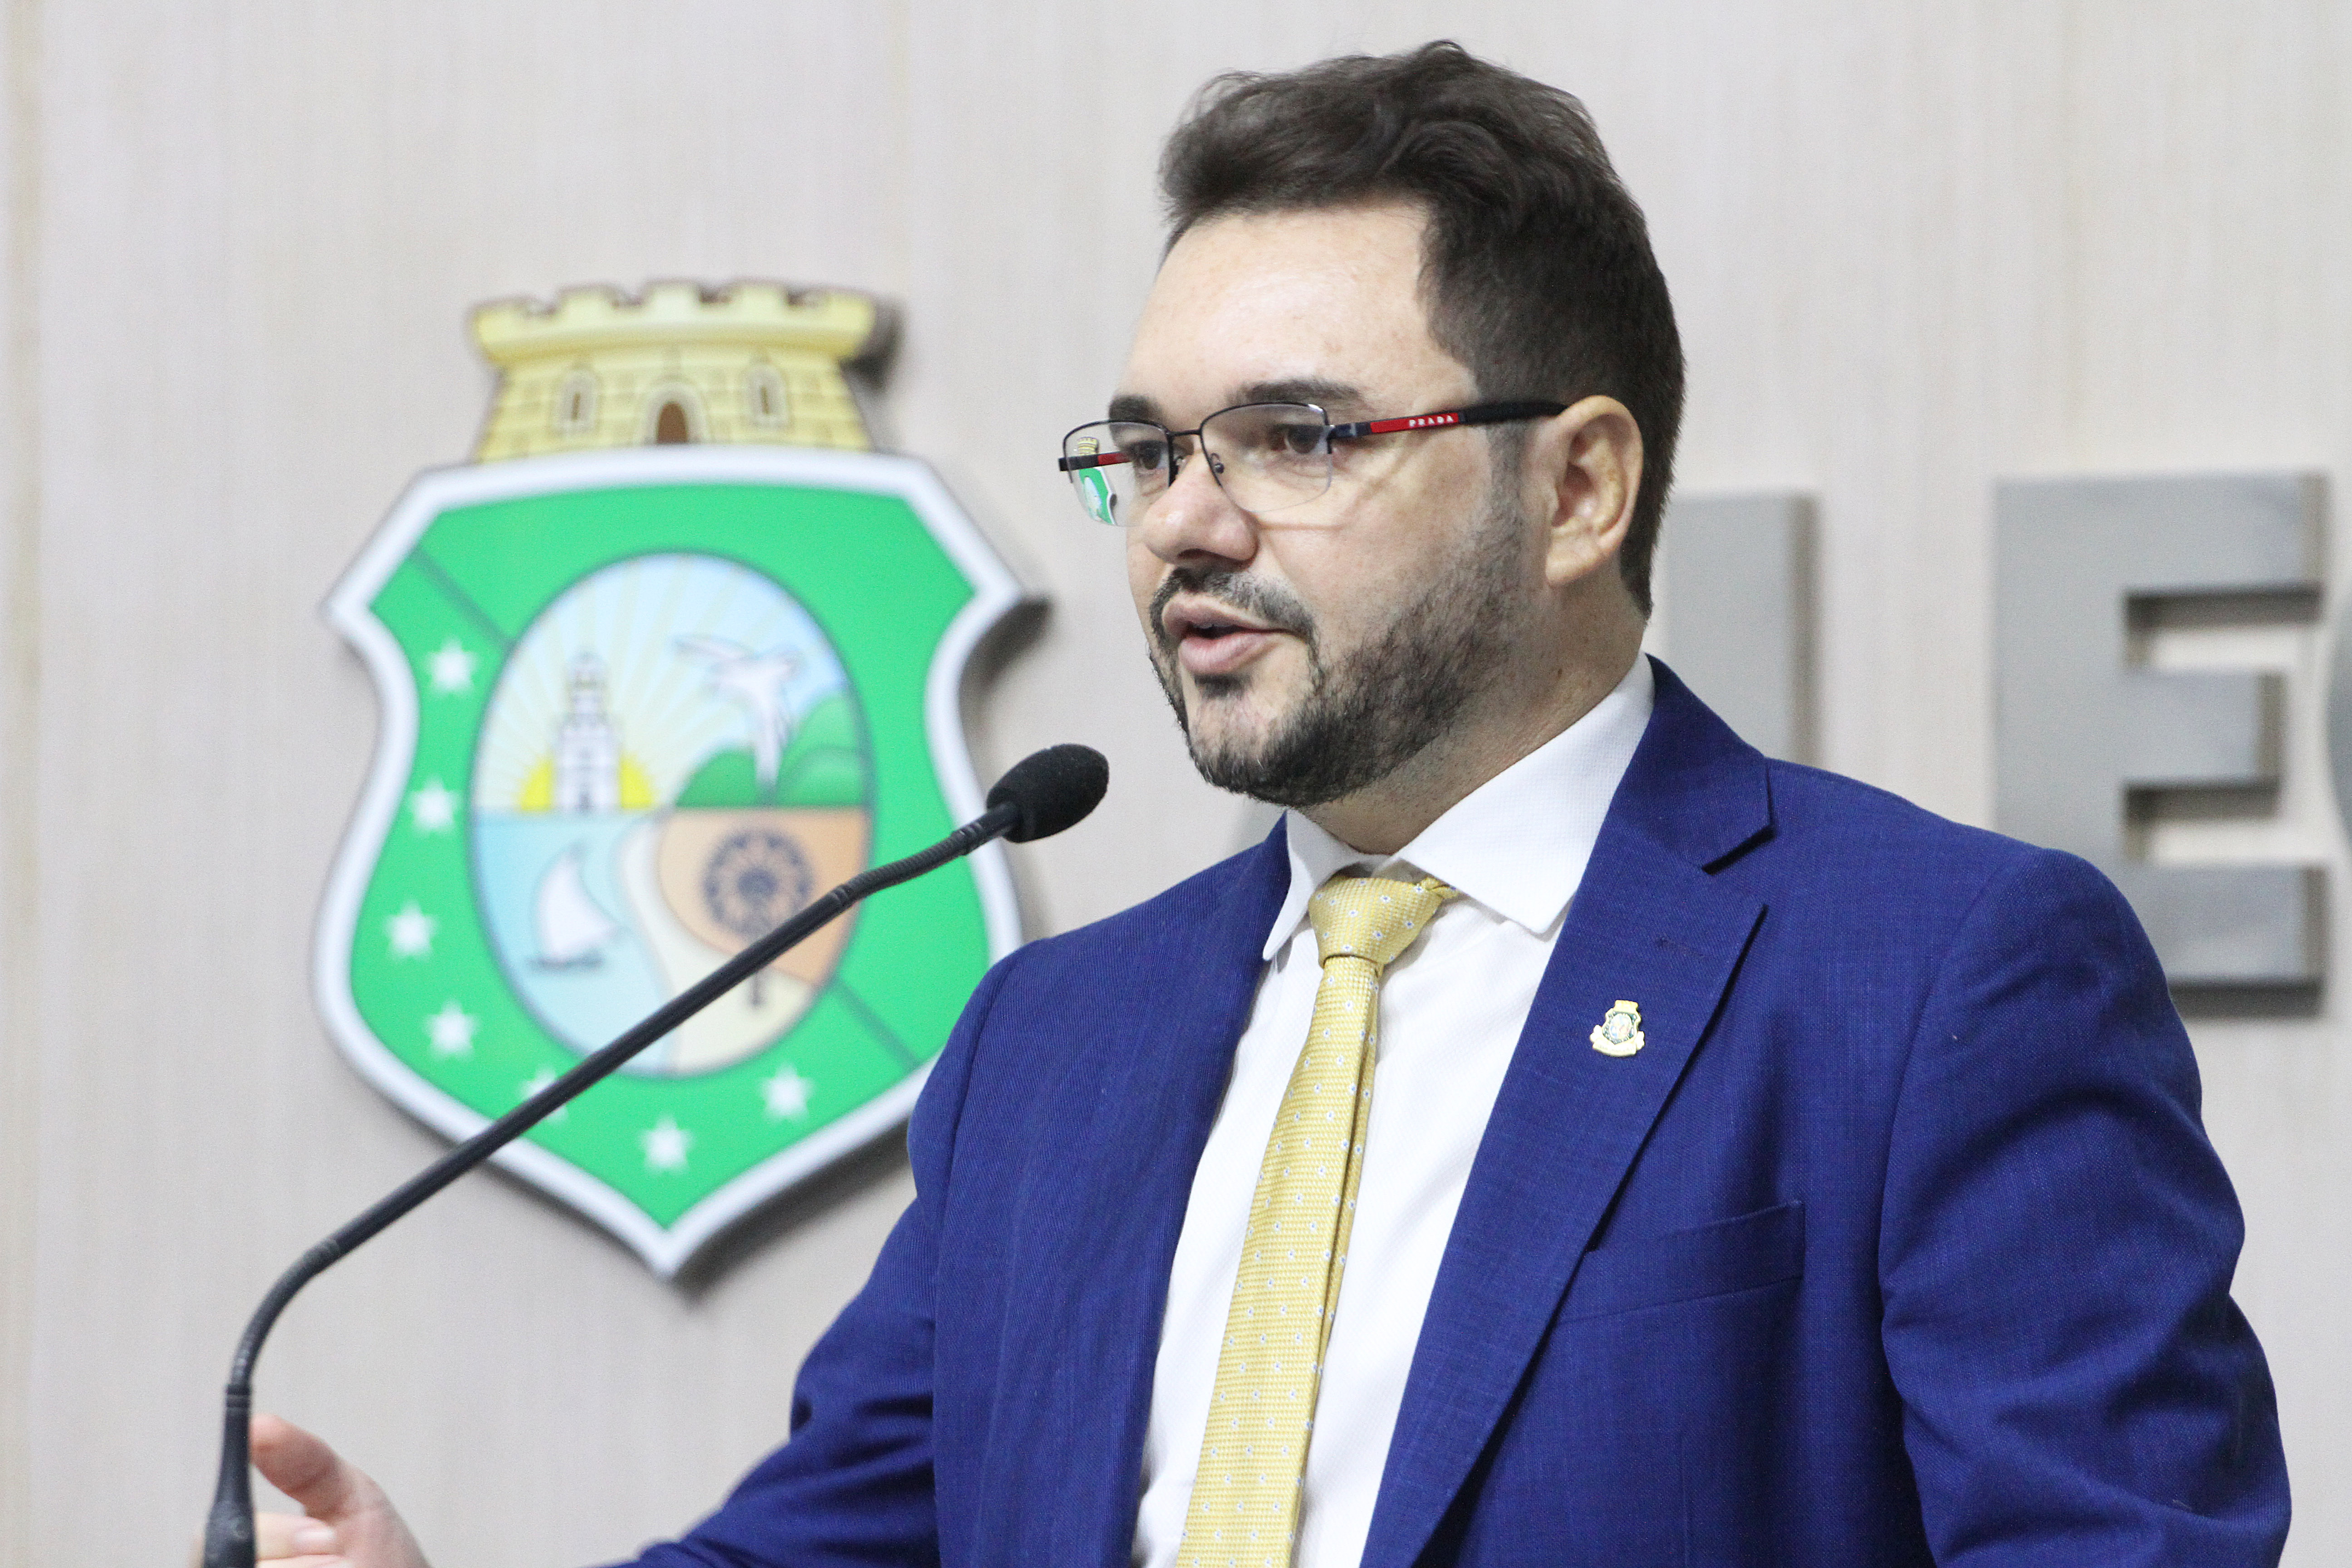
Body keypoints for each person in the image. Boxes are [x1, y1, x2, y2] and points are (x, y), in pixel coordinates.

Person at [245, 41, 2289, 1568]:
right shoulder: (1052, 1045)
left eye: (1299, 437)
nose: (1184, 524)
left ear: (1580, 488)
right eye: (1147, 450)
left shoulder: (1935, 982)